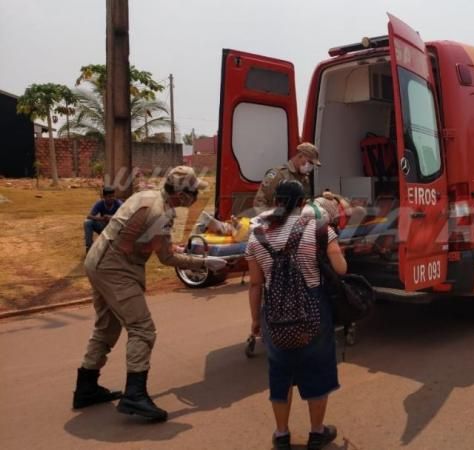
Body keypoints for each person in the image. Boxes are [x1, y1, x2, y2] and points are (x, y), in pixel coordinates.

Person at [73, 166, 228, 421]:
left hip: (99, 260)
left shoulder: (148, 197)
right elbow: (166, 259)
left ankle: (86, 387)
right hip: (115, 269)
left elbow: (148, 241)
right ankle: (134, 395)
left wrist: (172, 247)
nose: (196, 197)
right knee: (142, 329)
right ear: (181, 194)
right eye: (194, 192)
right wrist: (204, 263)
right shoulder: (160, 213)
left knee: (107, 327)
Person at [246, 180, 346, 450]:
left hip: (274, 312)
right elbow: (341, 269)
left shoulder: (257, 235)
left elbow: (255, 284)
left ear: (275, 201)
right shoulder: (319, 229)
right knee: (318, 368)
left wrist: (255, 320)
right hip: (314, 308)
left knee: (280, 373)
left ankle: (282, 434)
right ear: (303, 204)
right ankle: (317, 433)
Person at [253, 142, 321, 210]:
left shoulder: (305, 178)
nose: (311, 167)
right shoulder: (278, 174)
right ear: (300, 156)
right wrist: (269, 215)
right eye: (310, 162)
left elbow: (304, 201)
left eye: (313, 165)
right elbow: (259, 202)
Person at [84, 186, 122, 253]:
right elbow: (89, 216)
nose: (112, 198)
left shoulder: (118, 203)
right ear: (104, 197)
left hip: (116, 229)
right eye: (109, 196)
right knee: (88, 223)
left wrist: (111, 217)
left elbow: (125, 216)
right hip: (104, 227)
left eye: (113, 196)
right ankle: (89, 247)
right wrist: (101, 218)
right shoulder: (100, 203)